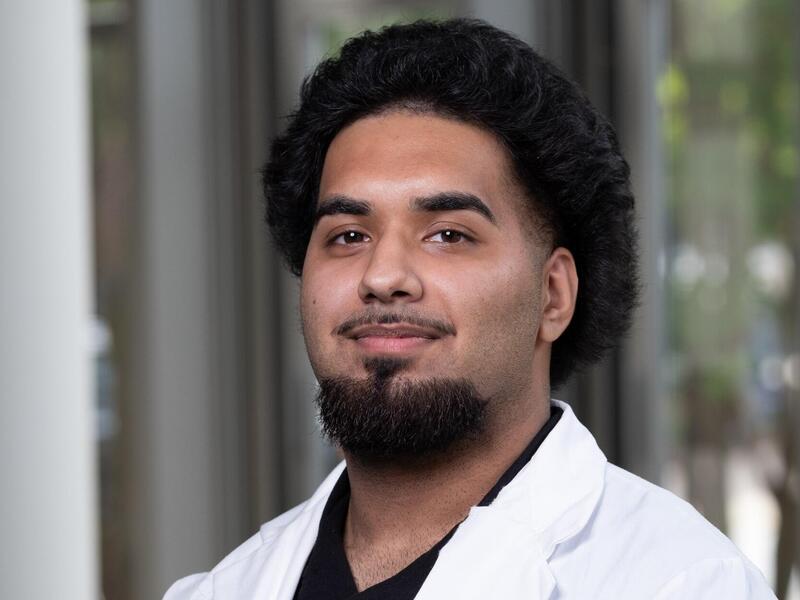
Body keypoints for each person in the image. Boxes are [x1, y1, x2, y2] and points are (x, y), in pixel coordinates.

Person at [165, 18, 776, 600]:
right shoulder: (225, 587)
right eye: (348, 235)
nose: (383, 276)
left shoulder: (681, 583)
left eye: (448, 235)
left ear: (554, 294)